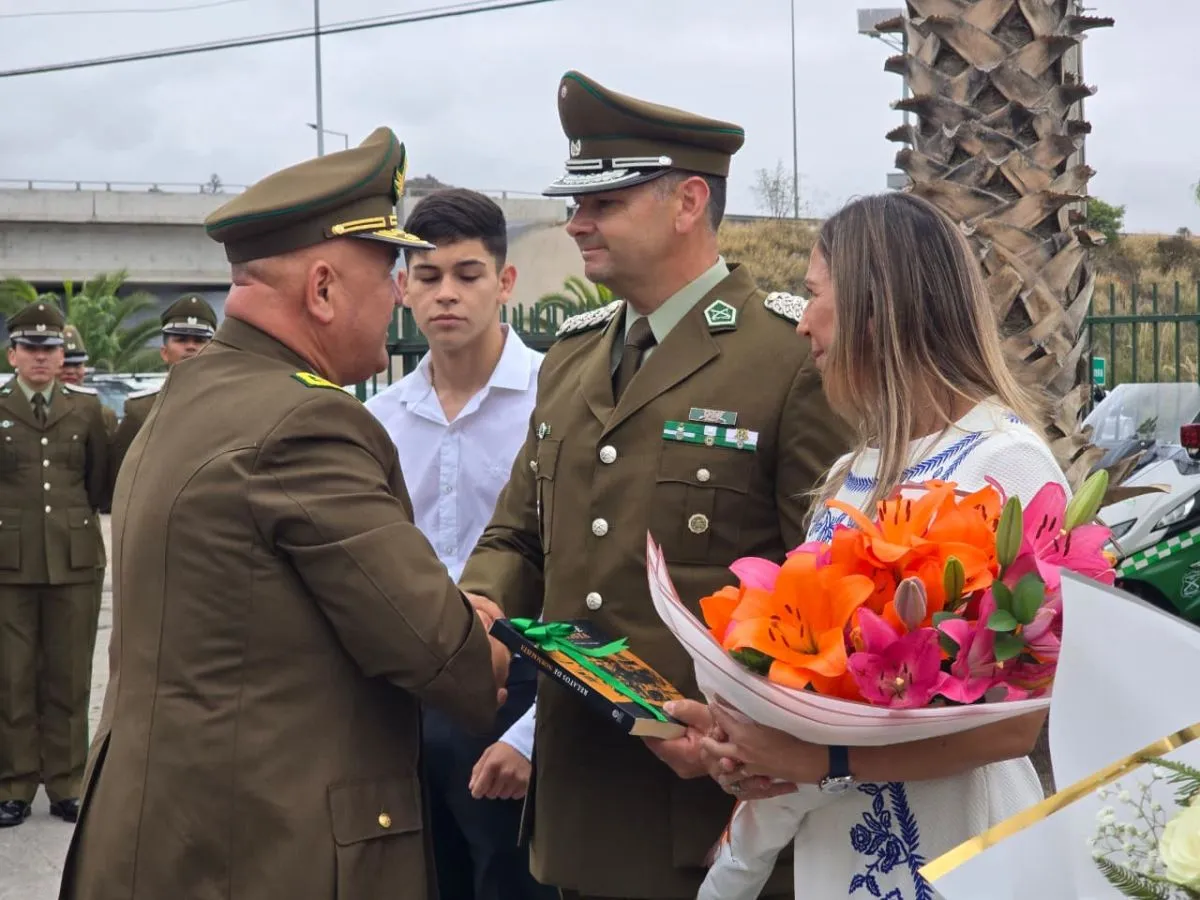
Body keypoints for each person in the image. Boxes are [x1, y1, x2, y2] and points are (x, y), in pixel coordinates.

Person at [58, 127, 512, 900]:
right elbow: (439, 650)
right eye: (388, 272)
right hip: (261, 848)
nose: (399, 295)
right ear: (324, 289)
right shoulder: (307, 423)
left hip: (166, 836)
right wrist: (484, 633)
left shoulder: (188, 395)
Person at [456, 70, 852, 900]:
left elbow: (830, 589)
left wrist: (747, 736)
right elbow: (516, 535)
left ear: (688, 203)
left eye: (605, 203)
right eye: (575, 203)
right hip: (578, 804)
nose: (577, 223)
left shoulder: (784, 359)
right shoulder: (571, 356)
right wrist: (482, 610)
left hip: (709, 808)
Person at [669, 192, 1062, 899]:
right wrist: (743, 742)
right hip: (838, 859)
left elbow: (1022, 723)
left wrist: (824, 757)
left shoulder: (1009, 464)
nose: (803, 324)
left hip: (961, 859)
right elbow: (816, 687)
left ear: (876, 310)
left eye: (814, 295)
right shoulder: (852, 475)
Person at [364, 187, 554, 900]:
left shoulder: (552, 403)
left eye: (468, 275)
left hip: (521, 686)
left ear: (504, 283)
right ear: (404, 288)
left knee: (514, 883)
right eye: (428, 276)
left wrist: (538, 731)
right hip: (409, 694)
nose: (447, 295)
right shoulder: (378, 420)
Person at [0, 301, 110, 828]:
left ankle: (67, 782)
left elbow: (96, 482)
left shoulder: (86, 409)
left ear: (62, 354)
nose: (41, 359)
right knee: (11, 678)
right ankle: (15, 784)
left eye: (50, 349)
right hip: (9, 563)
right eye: (30, 349)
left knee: (69, 677)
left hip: (73, 559)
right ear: (13, 355)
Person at [109, 294, 217, 483]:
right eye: (181, 339)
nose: (190, 347)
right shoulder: (140, 410)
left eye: (199, 340)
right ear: (164, 353)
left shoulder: (230, 406)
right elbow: (120, 478)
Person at [58, 324, 114, 678]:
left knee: (75, 659)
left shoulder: (99, 413)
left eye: (80, 364)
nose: (75, 370)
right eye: (69, 363)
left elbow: (101, 482)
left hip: (79, 538)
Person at [60, 326, 117, 435]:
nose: (71, 371)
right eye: (64, 365)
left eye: (77, 365)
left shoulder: (104, 416)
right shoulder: (39, 414)